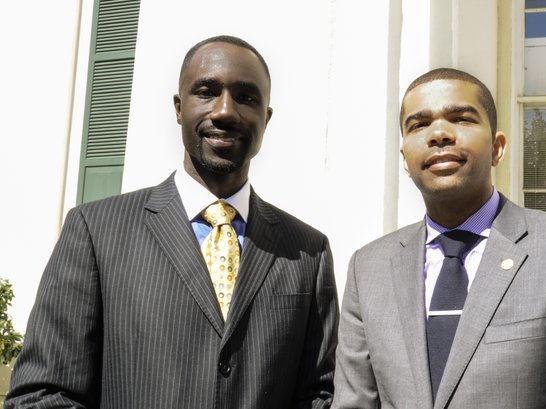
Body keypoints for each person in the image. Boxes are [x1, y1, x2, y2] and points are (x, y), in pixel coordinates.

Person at [6, 35, 339, 408]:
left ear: (267, 117)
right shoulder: (96, 231)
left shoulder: (308, 252)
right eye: (207, 91)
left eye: (246, 97)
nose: (226, 111)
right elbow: (41, 395)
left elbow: (321, 395)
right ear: (179, 108)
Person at [332, 68, 546, 408]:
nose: (439, 133)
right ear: (405, 158)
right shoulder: (368, 268)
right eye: (419, 124)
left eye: (461, 118)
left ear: (497, 148)